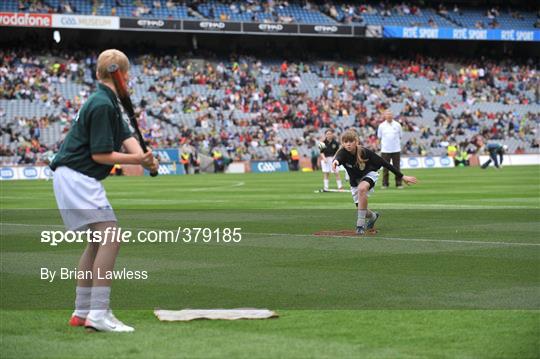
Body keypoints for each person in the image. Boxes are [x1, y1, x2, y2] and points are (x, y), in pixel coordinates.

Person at [49, 49, 159, 332]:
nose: (129, 80)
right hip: (79, 176)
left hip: (72, 176)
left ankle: (82, 311)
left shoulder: (106, 101)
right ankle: (99, 313)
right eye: (128, 75)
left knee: (98, 242)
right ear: (119, 74)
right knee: (111, 236)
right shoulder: (102, 104)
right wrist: (138, 160)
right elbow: (100, 154)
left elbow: (126, 136)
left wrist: (146, 159)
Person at [332, 129, 417, 235]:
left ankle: (360, 225)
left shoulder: (364, 152)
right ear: (342, 143)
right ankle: (373, 216)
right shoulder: (343, 152)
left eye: (350, 141)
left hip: (369, 175)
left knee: (362, 188)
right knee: (363, 210)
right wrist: (335, 162)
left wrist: (402, 176)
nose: (348, 144)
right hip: (354, 181)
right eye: (345, 142)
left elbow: (384, 162)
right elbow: (338, 158)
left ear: (356, 141)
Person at [377, 109, 403, 189]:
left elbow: (401, 136)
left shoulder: (397, 125)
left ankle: (399, 183)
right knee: (385, 168)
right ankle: (385, 184)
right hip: (385, 150)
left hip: (396, 149)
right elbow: (379, 137)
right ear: (385, 116)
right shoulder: (381, 126)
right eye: (387, 114)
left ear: (392, 116)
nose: (389, 116)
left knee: (397, 167)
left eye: (390, 114)